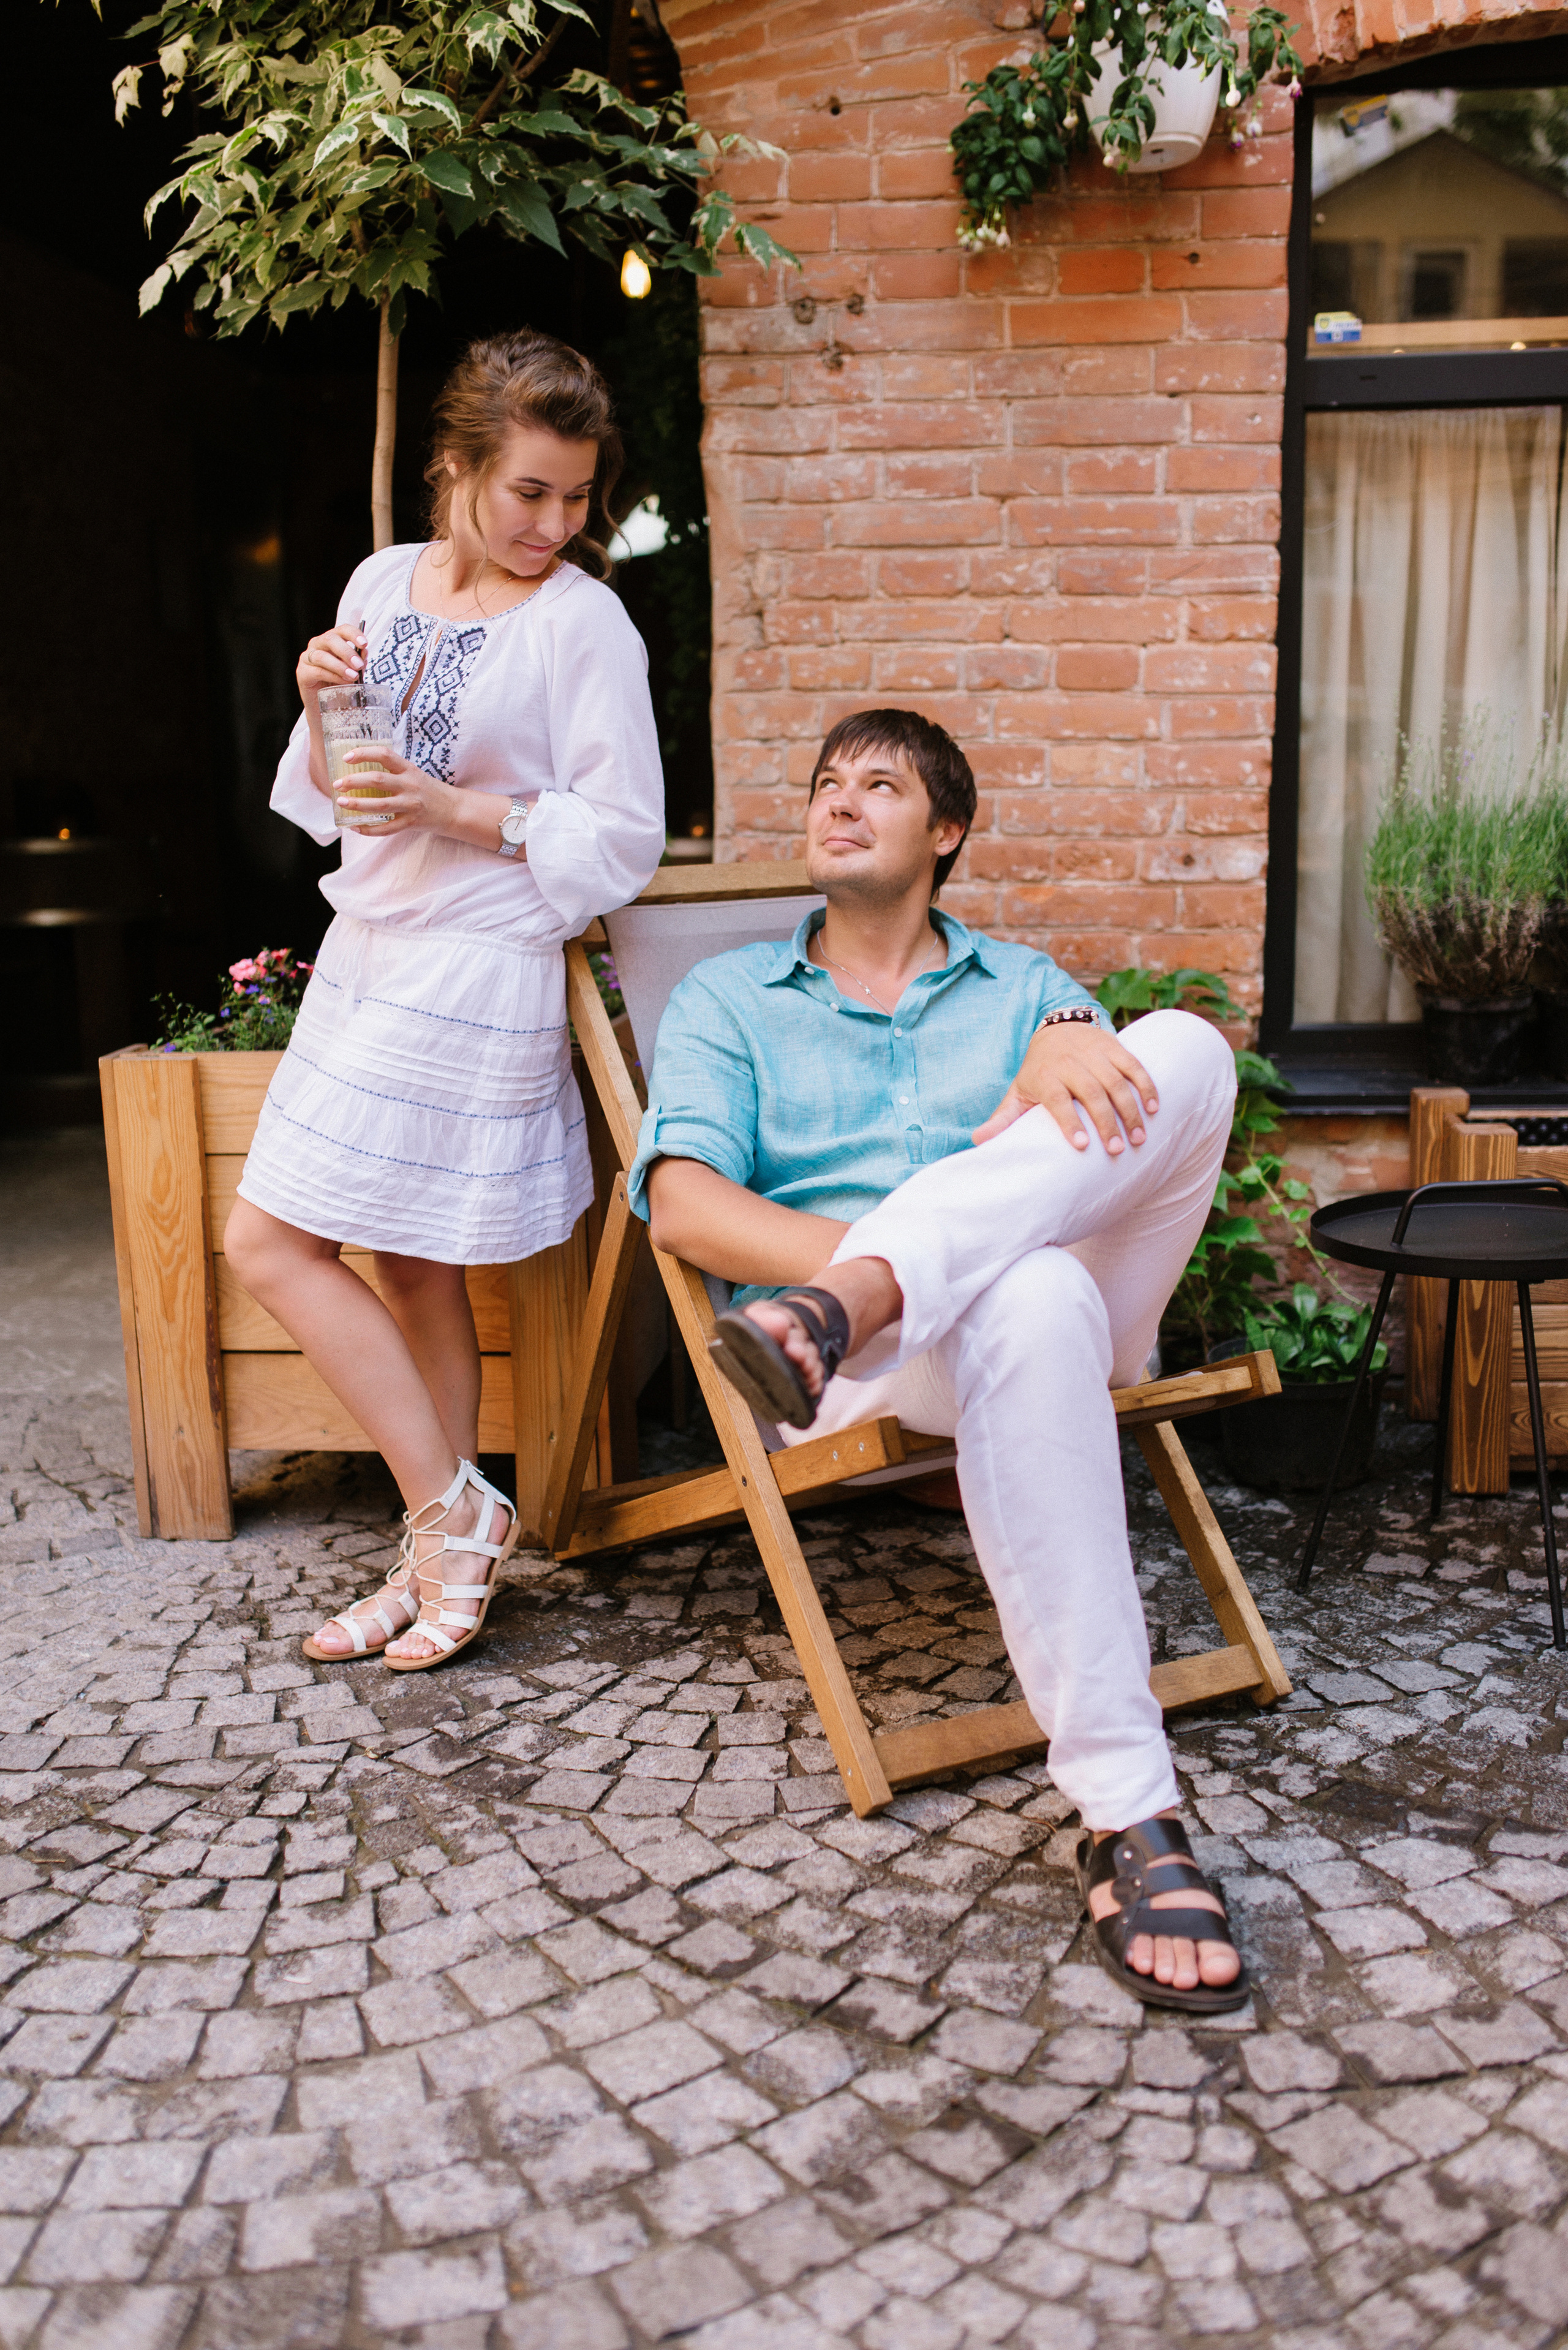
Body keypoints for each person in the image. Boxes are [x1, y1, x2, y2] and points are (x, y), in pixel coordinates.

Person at [631, 708, 1248, 2013]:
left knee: (1182, 1048)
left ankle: (864, 1291)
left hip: (956, 1317)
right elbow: (681, 1205)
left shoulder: (1026, 984)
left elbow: (1105, 1086)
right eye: (823, 783)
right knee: (1016, 1289)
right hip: (860, 1373)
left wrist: (1069, 1042)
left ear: (947, 831)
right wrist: (927, 1266)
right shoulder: (726, 998)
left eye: (878, 785)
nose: (837, 802)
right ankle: (1129, 1814)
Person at [226, 330, 664, 1674]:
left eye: (576, 496)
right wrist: (315, 705)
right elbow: (338, 792)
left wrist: (459, 810)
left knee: (266, 1242)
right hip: (369, 953)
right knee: (409, 1263)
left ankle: (451, 1513)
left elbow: (622, 835)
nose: (555, 523)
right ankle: (440, 1552)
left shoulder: (583, 622)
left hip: (475, 964)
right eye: (529, 491)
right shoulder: (379, 581)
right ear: (455, 469)